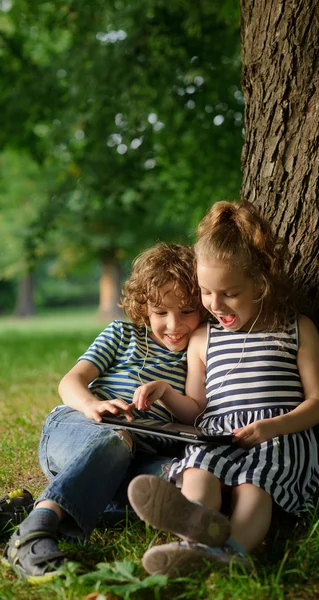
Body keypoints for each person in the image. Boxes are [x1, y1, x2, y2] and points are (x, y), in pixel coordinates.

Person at [128, 201, 319, 577]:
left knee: (257, 485)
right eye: (206, 292)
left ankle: (233, 549)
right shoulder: (203, 338)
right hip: (218, 434)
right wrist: (165, 393)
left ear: (262, 281)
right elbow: (197, 409)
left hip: (279, 437)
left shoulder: (297, 328)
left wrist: (273, 427)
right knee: (198, 470)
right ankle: (194, 536)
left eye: (230, 294)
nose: (214, 304)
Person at [2, 243, 204, 584]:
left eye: (187, 311)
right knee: (116, 438)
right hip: (78, 429)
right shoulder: (122, 334)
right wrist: (91, 405)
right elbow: (71, 382)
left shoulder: (197, 354)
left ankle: (30, 507)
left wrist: (166, 395)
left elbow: (194, 416)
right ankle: (33, 532)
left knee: (181, 483)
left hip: (138, 455)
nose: (174, 324)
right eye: (161, 312)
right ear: (144, 307)